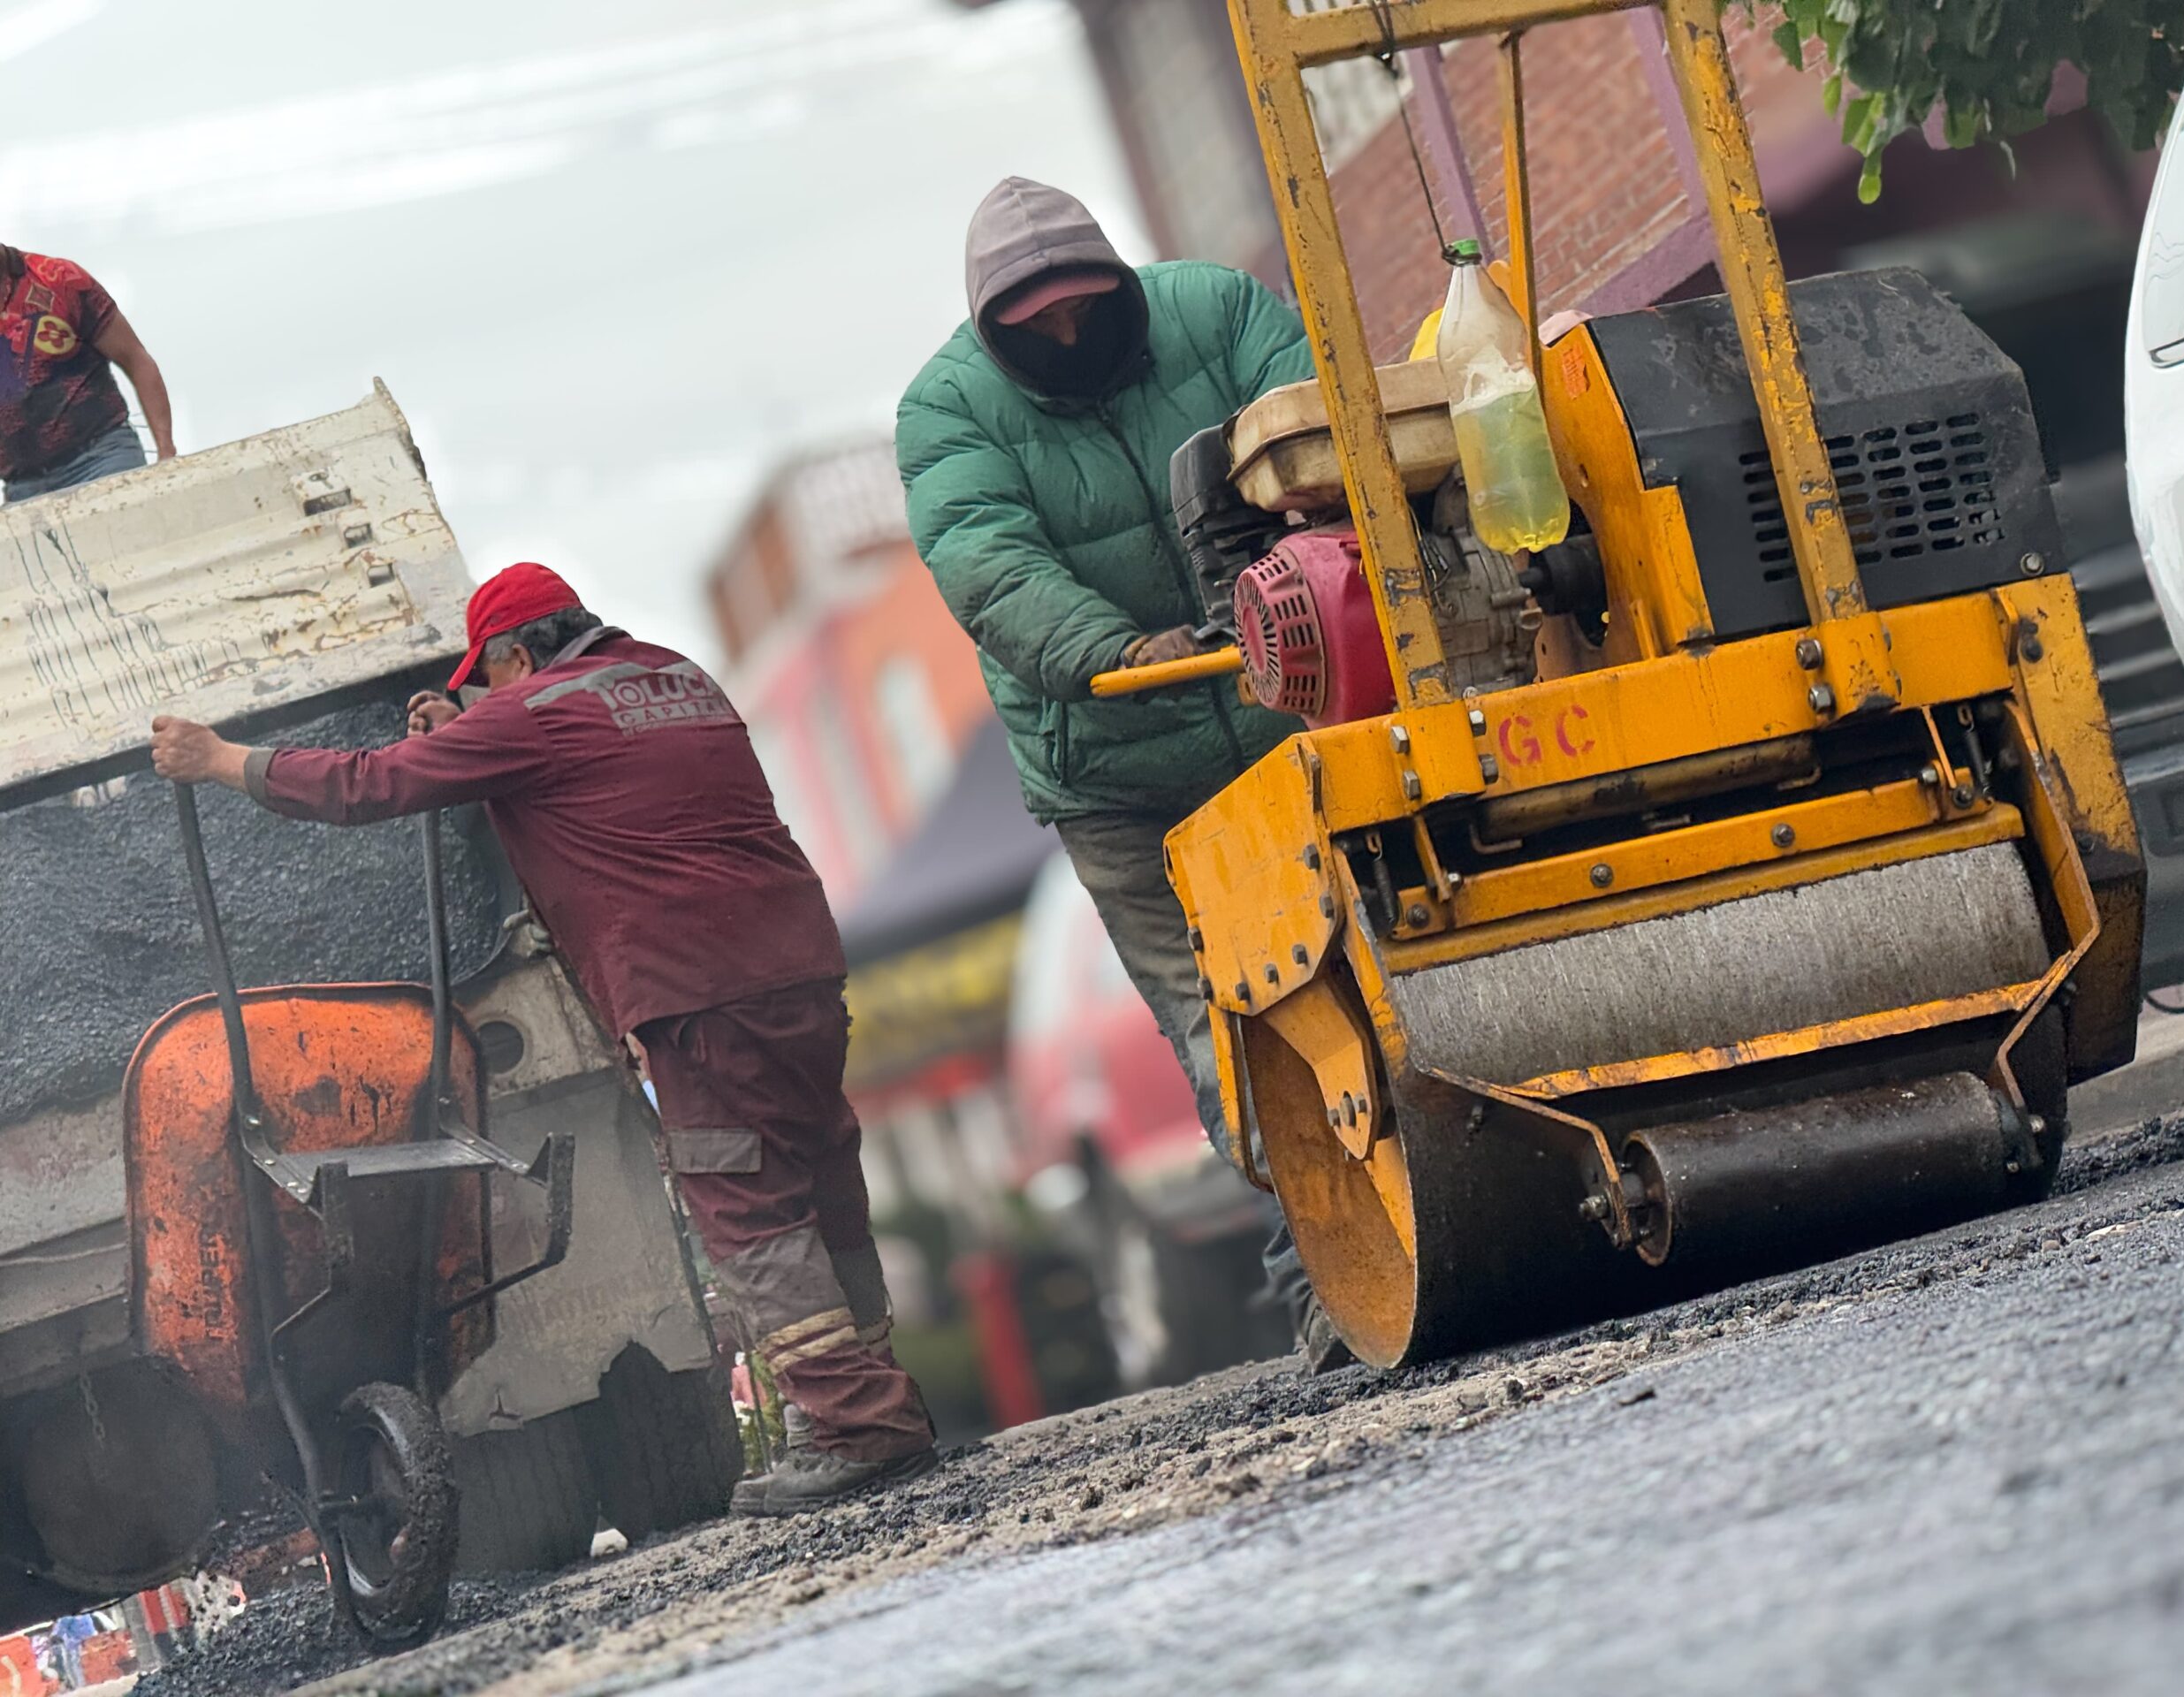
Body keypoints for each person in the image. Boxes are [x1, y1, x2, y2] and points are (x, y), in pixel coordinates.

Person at [149, 560, 935, 1513]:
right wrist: (477, 733)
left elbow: (366, 786)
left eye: (483, 683)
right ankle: (871, 1398)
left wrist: (218, 758)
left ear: (517, 654)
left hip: (695, 992)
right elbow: (601, 789)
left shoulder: (533, 714)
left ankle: (856, 1423)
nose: (481, 702)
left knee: (748, 1202)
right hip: (798, 967)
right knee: (818, 1178)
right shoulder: (675, 677)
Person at [896, 178, 1352, 1370]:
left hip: (1288, 713)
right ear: (993, 326)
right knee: (1224, 1024)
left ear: (1122, 288)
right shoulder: (948, 412)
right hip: (1115, 769)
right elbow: (989, 566)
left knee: (1373, 961)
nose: (1062, 334)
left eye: (1082, 309)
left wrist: (1298, 573)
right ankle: (1318, 1274)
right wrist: (1117, 654)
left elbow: (1313, 433)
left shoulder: (1213, 313)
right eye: (1032, 322)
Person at [2, 244, 174, 502]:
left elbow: (136, 360)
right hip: (23, 485)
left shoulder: (58, 278)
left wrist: (167, 455)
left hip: (102, 458)